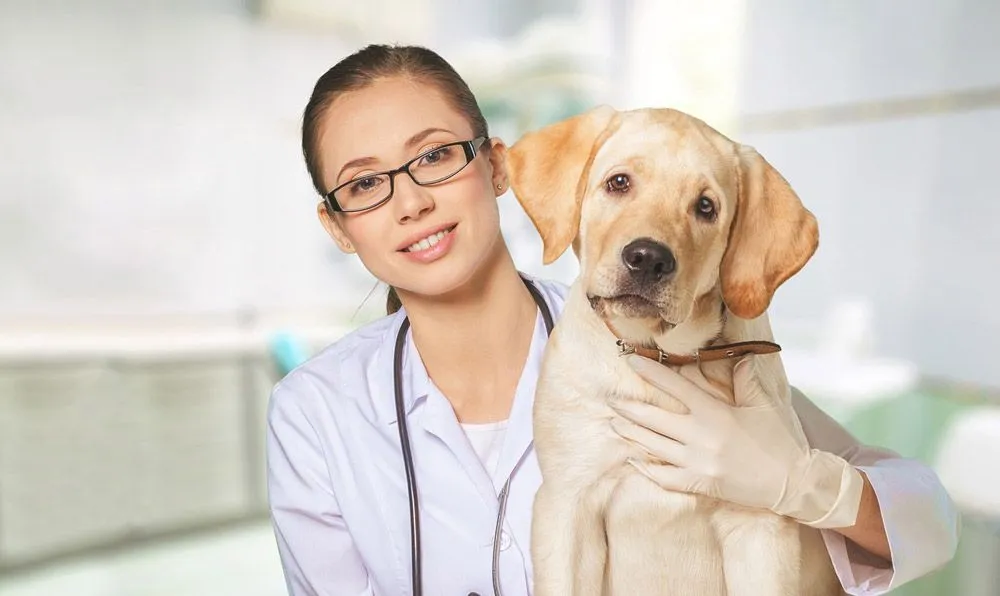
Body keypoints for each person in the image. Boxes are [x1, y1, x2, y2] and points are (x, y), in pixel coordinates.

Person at [265, 43, 960, 596]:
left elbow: (929, 521)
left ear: (500, 168)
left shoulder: (680, 352)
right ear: (337, 226)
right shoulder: (314, 414)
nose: (409, 201)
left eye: (436, 156)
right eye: (364, 183)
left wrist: (800, 483)